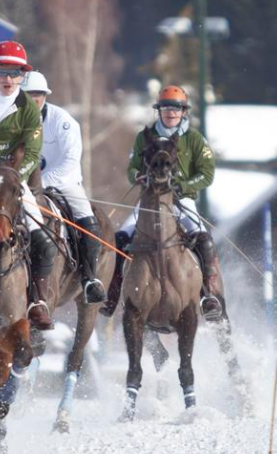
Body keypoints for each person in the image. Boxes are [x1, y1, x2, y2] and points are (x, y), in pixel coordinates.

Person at [99, 85, 224, 322]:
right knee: (121, 237)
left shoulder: (195, 139)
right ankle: (113, 293)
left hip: (182, 200)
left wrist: (183, 186)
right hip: (149, 199)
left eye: (176, 109)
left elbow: (207, 173)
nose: (171, 113)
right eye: (166, 108)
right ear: (159, 110)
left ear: (183, 112)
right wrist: (137, 176)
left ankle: (208, 295)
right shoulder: (144, 138)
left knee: (204, 239)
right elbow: (132, 167)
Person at [0, 41, 57, 331]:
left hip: (12, 180)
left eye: (16, 73)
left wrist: (13, 176)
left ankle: (37, 301)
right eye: (3, 72)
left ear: (23, 76)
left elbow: (32, 153)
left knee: (43, 237)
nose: (9, 80)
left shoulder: (29, 111)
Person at [21, 71, 106, 304]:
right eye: (27, 95)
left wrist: (42, 183)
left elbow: (70, 161)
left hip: (63, 183)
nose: (32, 99)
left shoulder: (63, 121)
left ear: (45, 96)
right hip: (21, 184)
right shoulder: (12, 118)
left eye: (37, 95)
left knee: (87, 221)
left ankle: (89, 279)